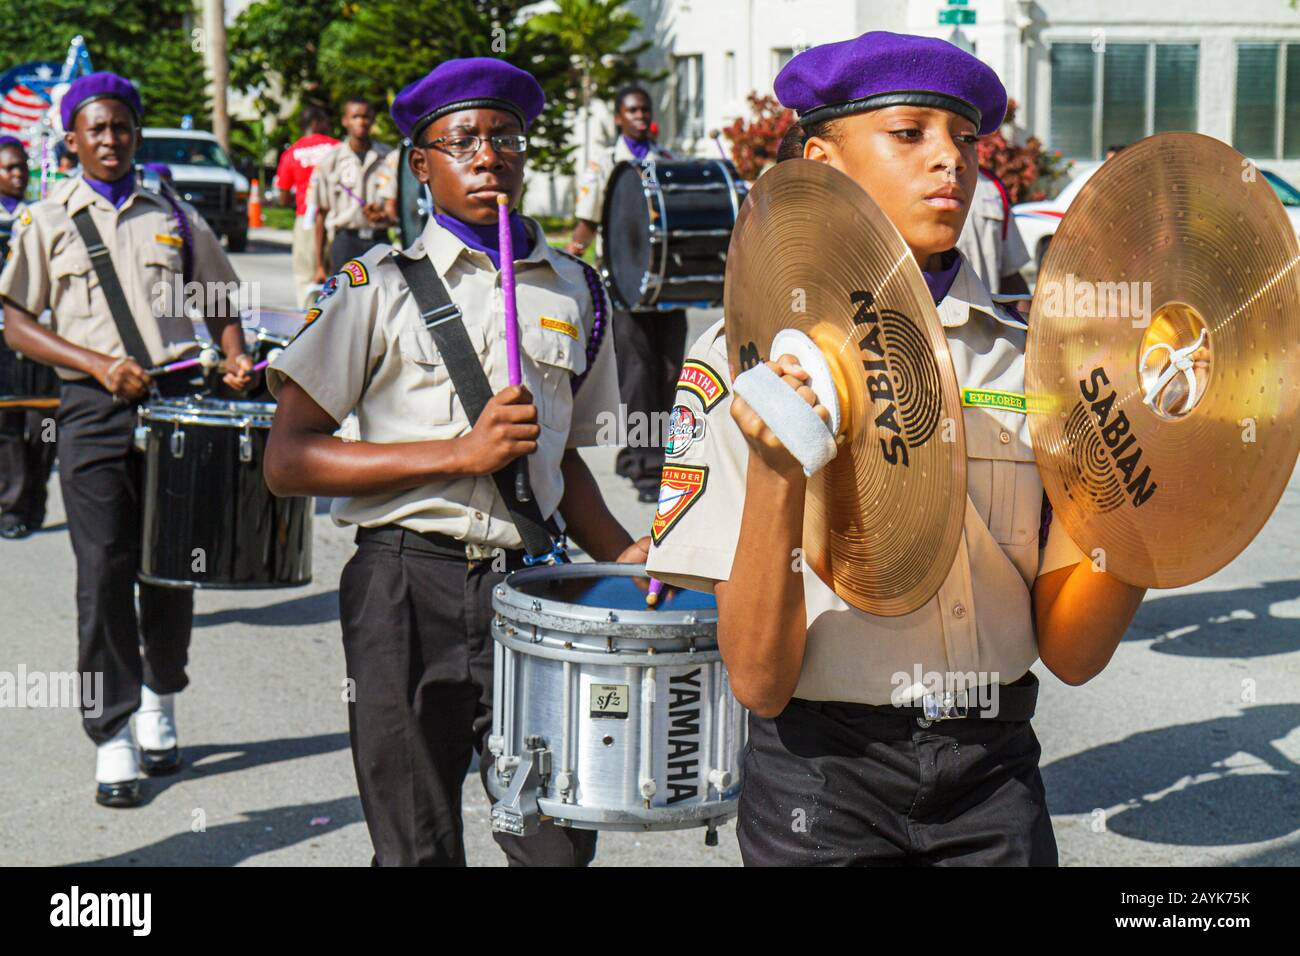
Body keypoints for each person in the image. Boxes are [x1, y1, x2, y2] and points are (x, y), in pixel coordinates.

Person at [646, 32, 1147, 866]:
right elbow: (758, 681)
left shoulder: (1036, 360)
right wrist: (777, 468)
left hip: (995, 772)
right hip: (823, 780)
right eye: (909, 133)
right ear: (824, 160)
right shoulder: (744, 356)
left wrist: (1161, 475)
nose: (948, 161)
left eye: (964, 139)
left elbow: (1074, 654)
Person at [264, 57, 647, 867]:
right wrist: (458, 453)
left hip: (532, 589)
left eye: (504, 136)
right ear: (422, 163)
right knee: (416, 847)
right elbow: (288, 460)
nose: (487, 154)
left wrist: (624, 554)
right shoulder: (374, 287)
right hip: (404, 583)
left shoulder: (579, 290)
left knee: (555, 843)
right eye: (462, 139)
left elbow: (565, 459)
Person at [0, 72, 255, 808]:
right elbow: (15, 319)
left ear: (135, 134)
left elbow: (221, 299)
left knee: (172, 565)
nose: (111, 140)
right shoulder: (47, 219)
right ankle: (111, 732)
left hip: (177, 406)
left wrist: (235, 355)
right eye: (96, 129)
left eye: (122, 127)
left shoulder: (173, 213)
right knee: (102, 568)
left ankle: (159, 698)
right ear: (72, 139)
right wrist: (94, 365)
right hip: (90, 409)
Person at [567, 86, 686, 502]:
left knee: (671, 373)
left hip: (666, 287)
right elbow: (586, 222)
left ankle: (648, 453)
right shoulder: (603, 164)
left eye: (644, 109)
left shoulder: (667, 160)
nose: (639, 115)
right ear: (618, 117)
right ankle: (648, 469)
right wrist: (571, 260)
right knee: (636, 376)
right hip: (624, 287)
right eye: (631, 110)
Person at [0, 135, 56, 540]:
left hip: (41, 337)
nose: (17, 175)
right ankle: (11, 505)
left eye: (21, 167)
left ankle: (34, 496)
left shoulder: (41, 217)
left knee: (44, 423)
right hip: (3, 339)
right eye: (8, 168)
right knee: (7, 423)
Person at [310, 97, 395, 281]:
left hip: (379, 240)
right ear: (345, 121)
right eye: (355, 116)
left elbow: (398, 208)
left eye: (366, 117)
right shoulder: (331, 161)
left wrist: (384, 215)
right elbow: (321, 215)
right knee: (345, 301)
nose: (361, 122)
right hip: (345, 241)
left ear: (372, 120)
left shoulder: (388, 157)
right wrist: (319, 265)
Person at [274, 106, 339, 307]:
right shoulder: (337, 148)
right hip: (337, 217)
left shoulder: (292, 152)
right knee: (339, 275)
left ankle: (308, 320)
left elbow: (283, 197)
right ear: (316, 122)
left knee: (305, 278)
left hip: (307, 220)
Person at [955, 167, 1031, 295]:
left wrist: (1031, 314)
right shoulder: (912, 180)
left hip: (985, 313)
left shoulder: (992, 187)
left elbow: (1010, 276)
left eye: (968, 145)